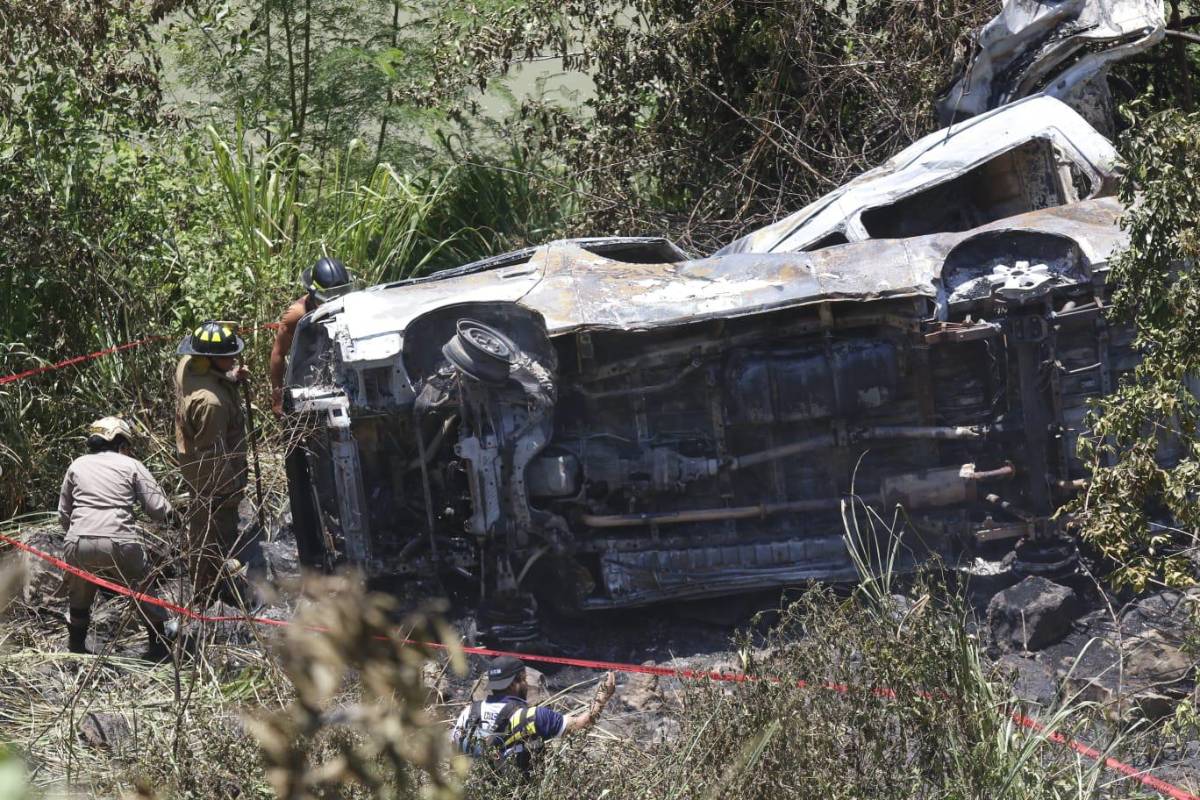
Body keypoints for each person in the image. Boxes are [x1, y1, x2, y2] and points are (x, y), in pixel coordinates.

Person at [57, 417, 175, 659]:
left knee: (79, 597)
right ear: (120, 442)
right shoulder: (131, 464)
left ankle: (76, 651)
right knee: (144, 592)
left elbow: (63, 515)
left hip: (77, 541)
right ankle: (158, 646)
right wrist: (180, 523)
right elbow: (158, 509)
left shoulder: (77, 465)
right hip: (119, 541)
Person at [174, 320, 253, 609]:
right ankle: (208, 598)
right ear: (207, 359)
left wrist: (229, 376)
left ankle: (207, 585)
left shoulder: (187, 364)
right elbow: (213, 454)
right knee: (214, 534)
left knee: (201, 530)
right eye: (227, 357)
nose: (233, 359)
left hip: (195, 469)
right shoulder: (211, 404)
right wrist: (228, 491)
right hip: (212, 479)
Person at [451, 655, 617, 772]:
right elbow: (583, 723)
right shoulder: (533, 717)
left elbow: (455, 747)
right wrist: (603, 696)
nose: (526, 684)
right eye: (523, 679)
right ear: (515, 682)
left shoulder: (469, 712)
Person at [269, 257, 355, 416]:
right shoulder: (297, 315)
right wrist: (277, 399)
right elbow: (278, 353)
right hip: (307, 383)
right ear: (312, 292)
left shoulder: (351, 305)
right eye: (328, 299)